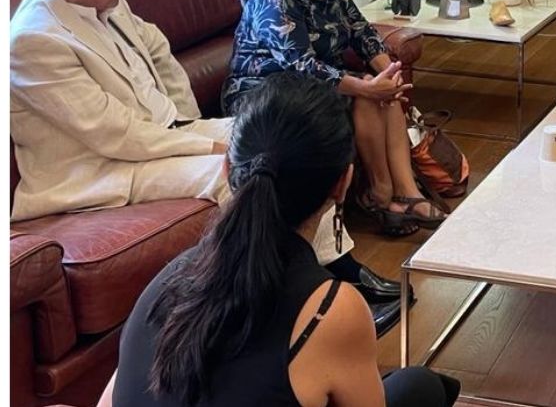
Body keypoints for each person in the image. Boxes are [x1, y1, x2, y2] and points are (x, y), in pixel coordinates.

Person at [9, 0, 406, 332]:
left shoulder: (103, 0)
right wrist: (209, 143)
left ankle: (337, 270)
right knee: (239, 171)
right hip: (107, 168)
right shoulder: (36, 41)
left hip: (165, 134)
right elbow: (117, 137)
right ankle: (300, 303)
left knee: (292, 139)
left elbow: (157, 49)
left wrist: (187, 119)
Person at [99, 74, 460, 407]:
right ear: (343, 183)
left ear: (227, 168)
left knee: (410, 384)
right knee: (421, 386)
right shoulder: (331, 309)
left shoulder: (168, 280)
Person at [223, 0, 447, 236]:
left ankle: (408, 193)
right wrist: (368, 87)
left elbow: (359, 28)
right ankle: (381, 195)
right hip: (264, 92)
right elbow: (300, 65)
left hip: (312, 82)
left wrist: (389, 73)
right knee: (368, 94)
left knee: (381, 91)